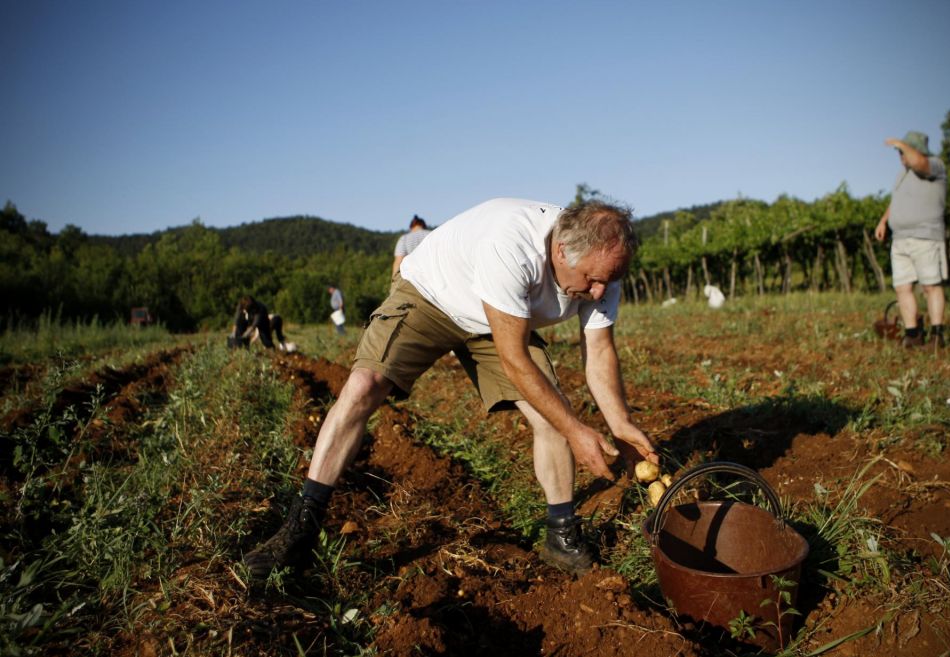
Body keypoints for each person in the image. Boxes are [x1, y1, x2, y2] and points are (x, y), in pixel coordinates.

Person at [243, 198, 658, 580]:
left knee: (549, 414)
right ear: (562, 251)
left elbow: (599, 351)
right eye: (593, 281)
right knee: (363, 385)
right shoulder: (511, 244)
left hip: (501, 317)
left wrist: (619, 423)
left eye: (608, 281)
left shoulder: (604, 266)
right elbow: (513, 357)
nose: (600, 292)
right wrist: (575, 430)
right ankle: (301, 526)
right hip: (433, 295)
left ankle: (561, 535)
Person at [874, 131, 948, 349]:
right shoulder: (903, 174)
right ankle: (912, 334)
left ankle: (937, 335)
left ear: (914, 150)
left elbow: (919, 161)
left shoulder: (934, 166)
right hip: (900, 239)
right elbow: (896, 202)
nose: (900, 156)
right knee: (902, 288)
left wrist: (900, 143)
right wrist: (883, 221)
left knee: (930, 286)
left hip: (925, 237)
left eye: (903, 151)